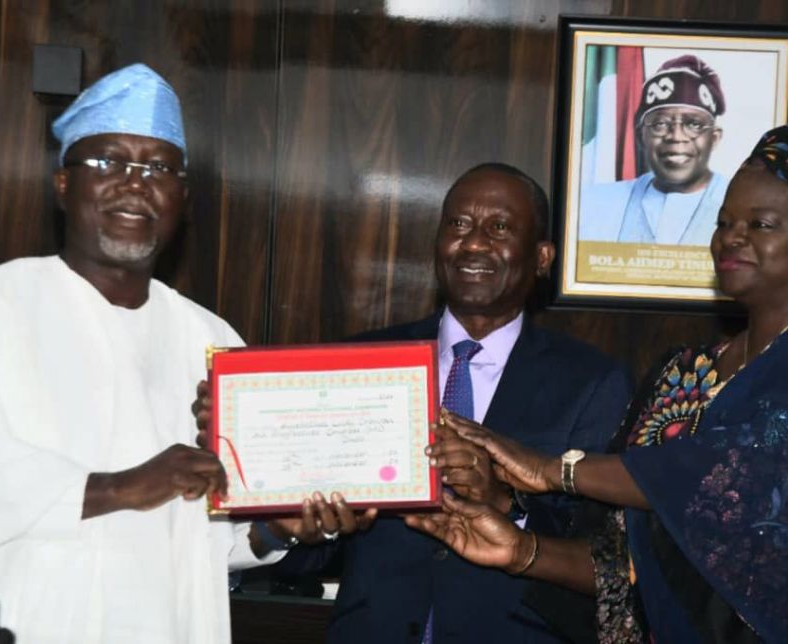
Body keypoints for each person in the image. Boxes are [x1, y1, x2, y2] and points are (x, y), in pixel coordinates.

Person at [410, 124, 788, 643]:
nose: (732, 238)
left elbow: (737, 475)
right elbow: (629, 567)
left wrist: (555, 469)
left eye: (760, 224)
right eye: (723, 222)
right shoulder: (681, 374)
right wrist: (524, 551)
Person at [193, 162, 632, 643]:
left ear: (542, 257)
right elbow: (310, 550)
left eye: (500, 227)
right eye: (458, 224)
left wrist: (506, 503)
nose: (475, 242)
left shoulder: (593, 381)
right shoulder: (360, 364)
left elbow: (607, 554)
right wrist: (286, 526)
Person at [0, 64, 285, 643]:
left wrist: (280, 532)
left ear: (183, 198)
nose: (135, 183)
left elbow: (204, 545)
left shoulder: (211, 340)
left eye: (159, 168)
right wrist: (117, 487)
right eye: (109, 161)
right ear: (63, 184)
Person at [578, 55, 727, 245]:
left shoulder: (740, 202)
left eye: (694, 124)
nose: (676, 136)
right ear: (641, 136)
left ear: (714, 138)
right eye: (660, 124)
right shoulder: (595, 203)